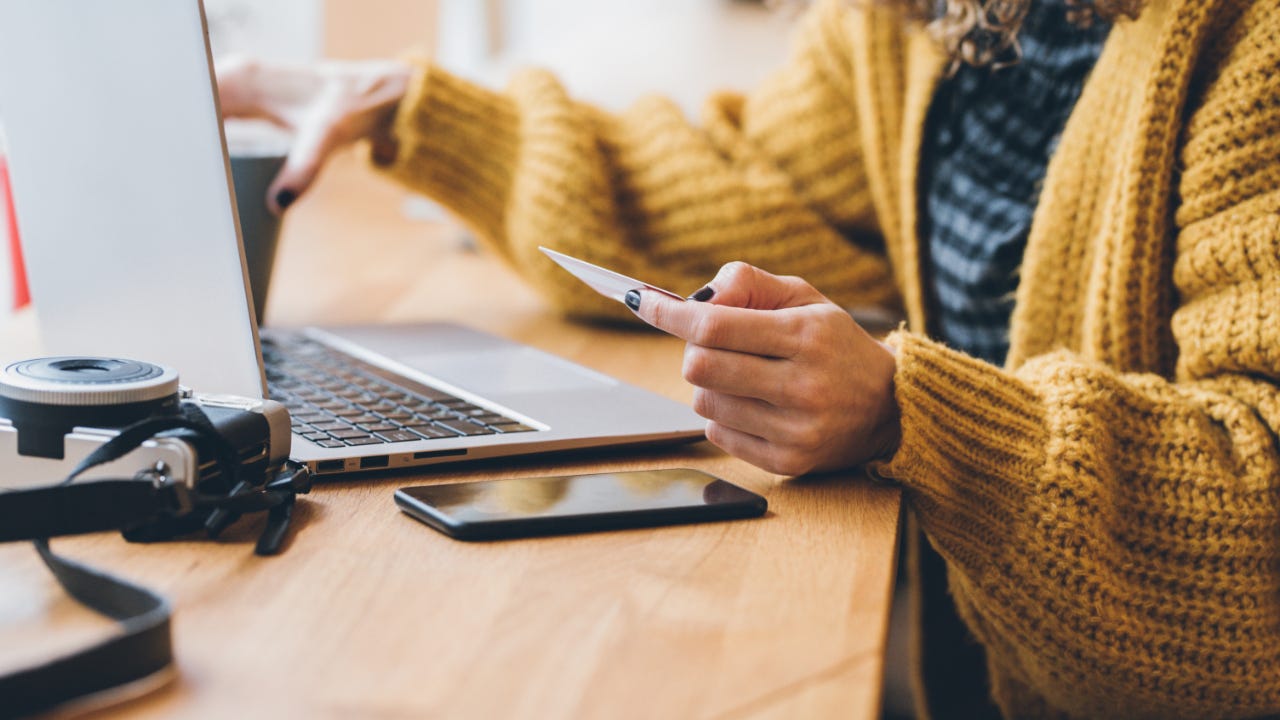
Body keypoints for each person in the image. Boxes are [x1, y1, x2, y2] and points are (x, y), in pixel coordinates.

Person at [217, 0, 1280, 716]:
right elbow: (727, 194)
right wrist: (411, 110)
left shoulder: (1250, 48)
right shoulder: (922, 19)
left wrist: (913, 414)